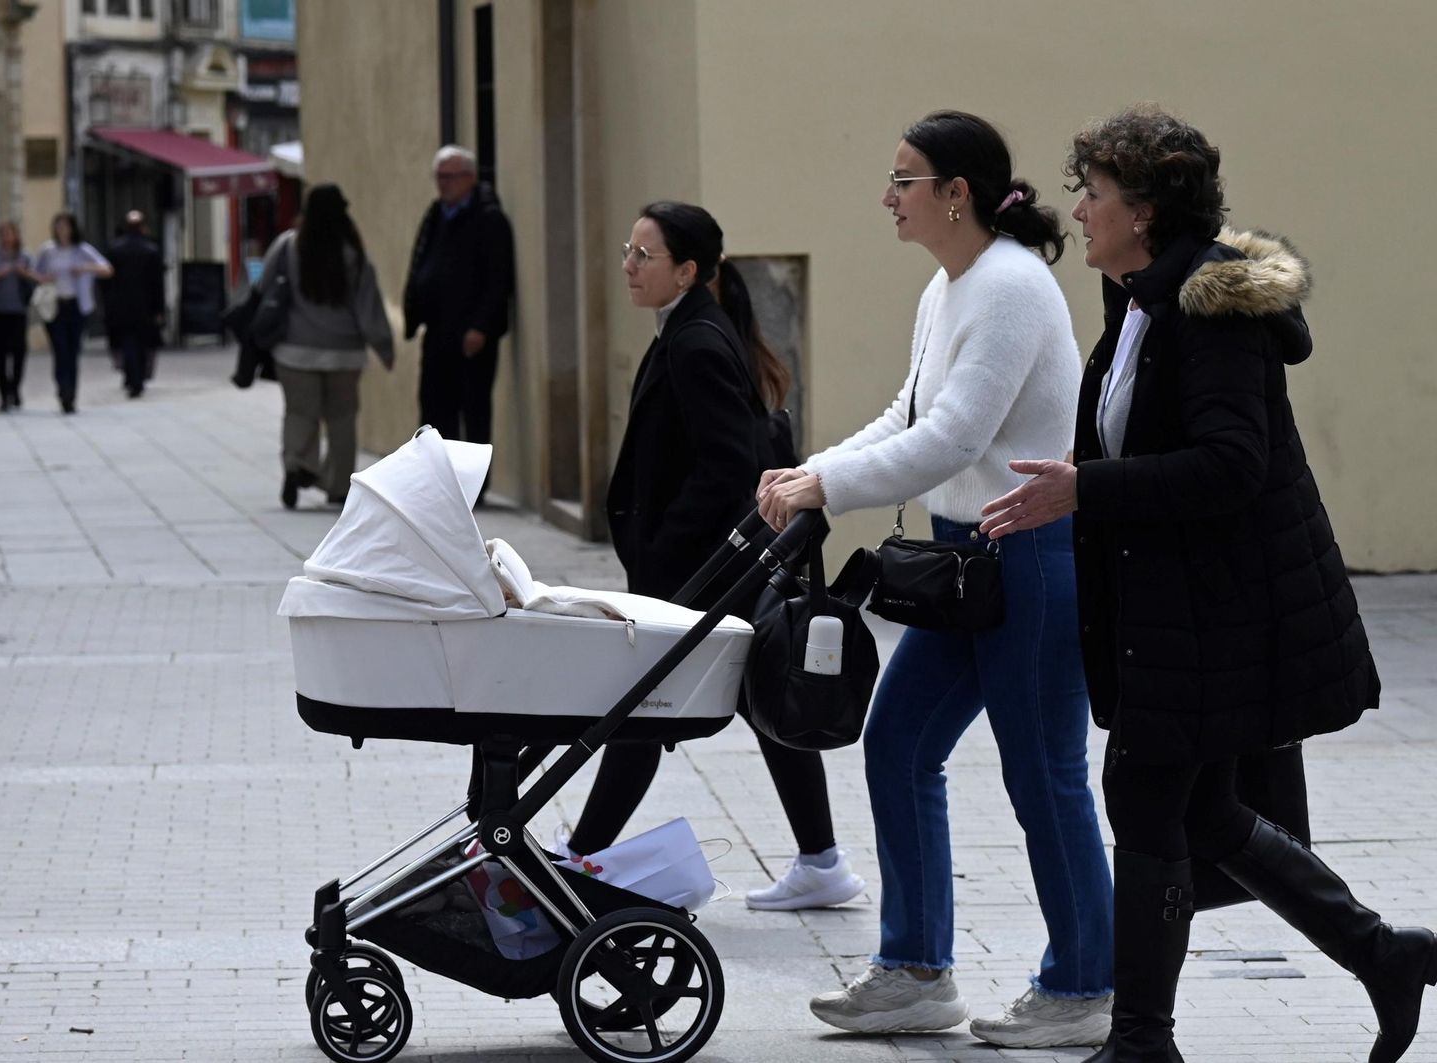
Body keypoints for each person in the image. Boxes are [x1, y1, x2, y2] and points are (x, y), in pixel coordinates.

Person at [981, 105, 1426, 1063]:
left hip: (1220, 612)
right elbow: (1144, 434)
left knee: (1144, 798)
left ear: (1142, 212)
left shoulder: (1211, 312)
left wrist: (1082, 490)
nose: (1079, 210)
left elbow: (1231, 462)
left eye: (1092, 195)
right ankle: (1380, 952)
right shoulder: (1140, 296)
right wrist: (1075, 481)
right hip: (1172, 605)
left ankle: (1142, 1041)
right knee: (1205, 809)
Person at [758, 111, 1114, 1046]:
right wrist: (812, 473)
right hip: (967, 560)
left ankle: (1084, 987)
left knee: (1045, 776)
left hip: (1029, 557)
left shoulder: (1010, 286)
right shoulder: (950, 285)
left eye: (902, 179)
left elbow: (952, 438)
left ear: (954, 193)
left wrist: (822, 483)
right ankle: (915, 971)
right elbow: (905, 415)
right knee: (899, 743)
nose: (887, 197)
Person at [561, 210, 865, 912]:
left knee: (642, 709)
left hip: (699, 573)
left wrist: (665, 553)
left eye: (645, 254)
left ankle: (580, 854)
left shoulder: (695, 341)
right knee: (759, 703)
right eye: (628, 251)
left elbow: (728, 463)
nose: (630, 265)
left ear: (688, 270)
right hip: (710, 568)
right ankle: (822, 862)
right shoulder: (690, 327)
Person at [257, 183, 394, 509]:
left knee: (299, 413)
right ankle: (337, 485)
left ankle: (296, 465)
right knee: (342, 419)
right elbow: (368, 306)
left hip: (294, 351)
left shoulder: (288, 246)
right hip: (344, 355)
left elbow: (264, 287)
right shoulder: (354, 254)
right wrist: (384, 347)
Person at [402, 145, 514, 469]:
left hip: (471, 335)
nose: (444, 184)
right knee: (435, 410)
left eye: (451, 177)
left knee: (473, 409)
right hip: (437, 330)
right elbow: (421, 262)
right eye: (440, 177)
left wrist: (481, 326)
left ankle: (472, 481)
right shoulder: (436, 215)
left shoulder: (489, 218)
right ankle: (437, 477)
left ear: (470, 177)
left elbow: (499, 279)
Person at [34, 212, 112, 414]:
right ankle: (62, 389)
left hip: (76, 305)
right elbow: (35, 273)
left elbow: (107, 269)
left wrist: (85, 268)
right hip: (55, 305)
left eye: (66, 226)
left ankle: (71, 395)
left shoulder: (82, 250)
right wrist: (44, 278)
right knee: (60, 349)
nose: (62, 230)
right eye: (59, 226)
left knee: (72, 350)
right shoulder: (48, 250)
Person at [103, 210, 166, 399]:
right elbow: (157, 283)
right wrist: (159, 308)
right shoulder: (151, 251)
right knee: (141, 343)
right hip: (145, 306)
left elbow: (107, 282)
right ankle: (137, 377)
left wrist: (107, 304)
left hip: (121, 305)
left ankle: (132, 377)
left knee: (127, 342)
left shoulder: (115, 250)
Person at [0, 220, 38, 411]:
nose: (6, 237)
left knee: (19, 352)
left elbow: (37, 279)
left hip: (18, 310)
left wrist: (23, 273)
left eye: (9, 233)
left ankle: (15, 389)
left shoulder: (25, 255)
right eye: (2, 233)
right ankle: (3, 394)